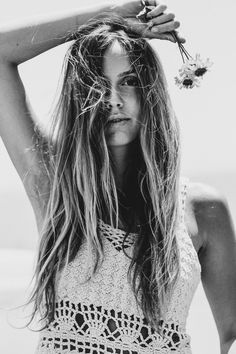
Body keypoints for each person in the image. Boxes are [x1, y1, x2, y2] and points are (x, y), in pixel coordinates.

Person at [0, 1, 235, 353]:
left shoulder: (202, 208)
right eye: (97, 84)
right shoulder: (54, 186)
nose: (112, 99)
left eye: (129, 82)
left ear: (150, 92)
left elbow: (231, 332)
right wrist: (108, 15)